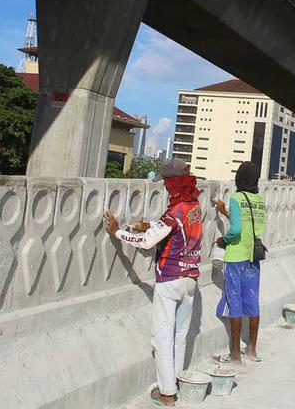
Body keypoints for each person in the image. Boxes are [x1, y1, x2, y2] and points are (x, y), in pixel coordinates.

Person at [103, 158, 203, 407]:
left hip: (170, 280)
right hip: (190, 279)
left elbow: (148, 242)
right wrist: (147, 225)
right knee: (180, 336)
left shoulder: (175, 211)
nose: (165, 187)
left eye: (167, 182)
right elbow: (173, 229)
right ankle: (176, 380)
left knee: (162, 338)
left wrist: (117, 231)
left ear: (174, 182)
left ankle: (166, 393)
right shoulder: (194, 205)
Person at [212, 161, 265, 364]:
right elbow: (248, 225)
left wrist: (223, 240)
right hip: (253, 257)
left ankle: (235, 354)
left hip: (236, 257)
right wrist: (225, 212)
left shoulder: (236, 198)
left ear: (239, 179)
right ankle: (252, 349)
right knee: (252, 301)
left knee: (235, 302)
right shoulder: (259, 200)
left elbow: (236, 229)